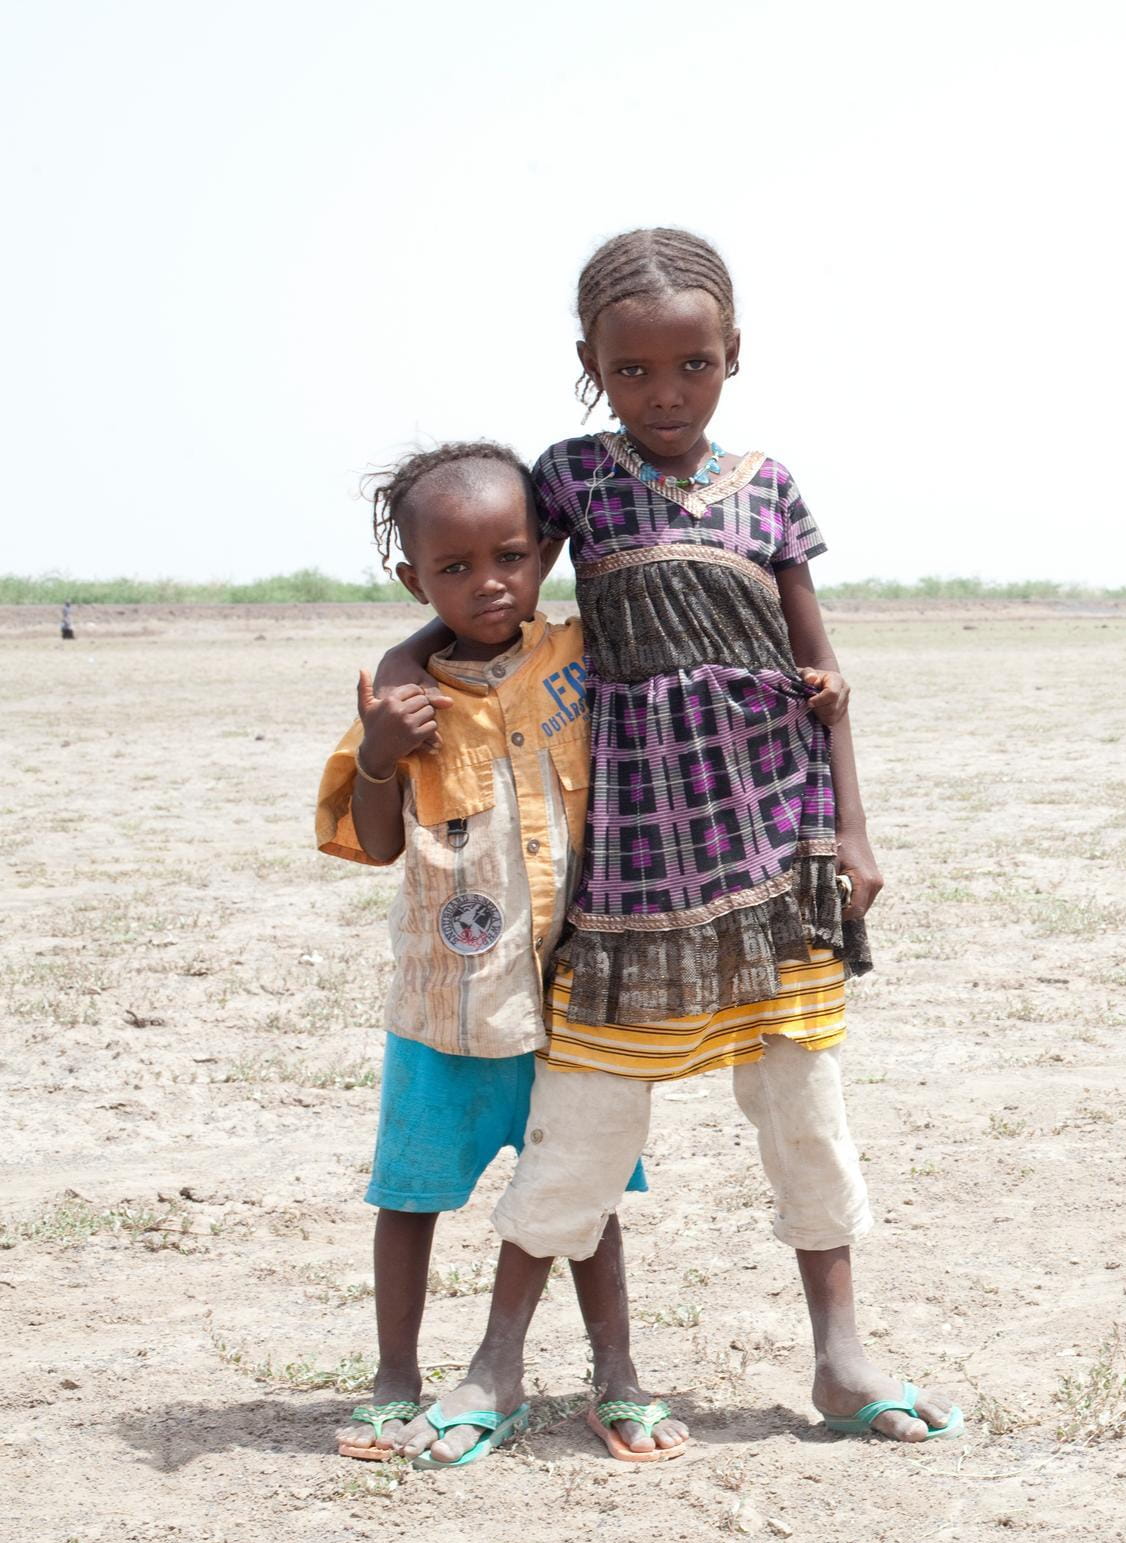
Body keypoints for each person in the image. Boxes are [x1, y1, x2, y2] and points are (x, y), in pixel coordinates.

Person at [387, 227, 957, 1464]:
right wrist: (391, 673)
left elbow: (824, 676)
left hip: (777, 833)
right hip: (636, 852)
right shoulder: (574, 480)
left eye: (691, 365)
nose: (665, 393)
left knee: (804, 1104)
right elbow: (474, 583)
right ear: (590, 365)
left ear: (732, 356)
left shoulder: (771, 488)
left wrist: (853, 826)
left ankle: (841, 1352)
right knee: (587, 1109)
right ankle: (496, 1362)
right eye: (633, 371)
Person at [317, 441, 674, 1468]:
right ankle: (395, 1377)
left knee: (586, 1195)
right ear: (412, 578)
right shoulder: (398, 697)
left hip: (569, 1001)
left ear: (546, 553)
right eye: (455, 568)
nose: (489, 583)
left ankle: (618, 1374)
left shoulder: (576, 655)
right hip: (446, 1007)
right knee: (411, 1195)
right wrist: (381, 749)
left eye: (511, 556)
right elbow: (376, 842)